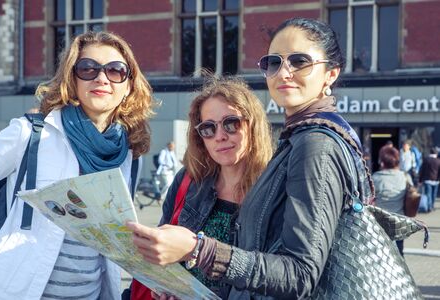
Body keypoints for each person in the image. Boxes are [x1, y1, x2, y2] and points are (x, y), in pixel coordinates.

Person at [127, 18, 375, 299]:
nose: (284, 72)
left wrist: (199, 248)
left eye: (299, 61)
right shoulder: (300, 138)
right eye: (274, 62)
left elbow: (300, 275)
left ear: (330, 73)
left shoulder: (315, 144)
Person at [0, 31, 153, 299]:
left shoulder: (129, 154)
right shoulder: (30, 134)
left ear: (128, 86)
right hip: (18, 291)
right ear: (72, 79)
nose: (102, 78)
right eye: (88, 69)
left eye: (115, 70)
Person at [129, 77, 273, 298]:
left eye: (231, 123)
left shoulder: (274, 189)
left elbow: (279, 276)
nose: (220, 136)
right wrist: (166, 288)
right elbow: (164, 253)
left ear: (253, 125)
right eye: (208, 128)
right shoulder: (189, 181)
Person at [372, 145, 406, 255]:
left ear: (382, 162)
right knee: (399, 253)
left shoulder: (375, 178)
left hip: (379, 222)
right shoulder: (404, 177)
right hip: (399, 221)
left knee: (381, 254)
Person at [419, 147, 440, 212]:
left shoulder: (426, 160)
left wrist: (420, 180)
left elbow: (422, 170)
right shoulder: (438, 161)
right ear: (436, 153)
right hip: (436, 180)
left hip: (427, 180)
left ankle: (429, 207)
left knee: (428, 194)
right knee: (434, 194)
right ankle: (432, 206)